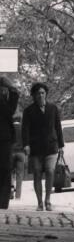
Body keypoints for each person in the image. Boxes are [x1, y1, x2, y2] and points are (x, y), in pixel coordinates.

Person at [21, 82, 64, 211]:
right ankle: (40, 202)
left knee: (50, 171)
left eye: (42, 93)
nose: (40, 95)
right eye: (38, 93)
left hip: (51, 146)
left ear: (46, 94)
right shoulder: (28, 111)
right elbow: (25, 129)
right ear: (33, 95)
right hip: (35, 148)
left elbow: (58, 127)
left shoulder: (53, 108)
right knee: (37, 173)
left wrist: (61, 145)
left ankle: (48, 200)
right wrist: (26, 144)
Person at [0, 77, 21, 209]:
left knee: (5, 169)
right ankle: (3, 201)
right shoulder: (5, 102)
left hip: (5, 137)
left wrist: (9, 86)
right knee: (5, 169)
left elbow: (15, 94)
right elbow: (9, 111)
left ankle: (3, 201)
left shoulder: (7, 100)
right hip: (5, 136)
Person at [11, 115, 25, 200]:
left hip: (11, 153)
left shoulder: (10, 128)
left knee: (10, 172)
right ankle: (18, 195)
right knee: (19, 174)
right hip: (21, 153)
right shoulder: (23, 128)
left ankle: (11, 190)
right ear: (20, 120)